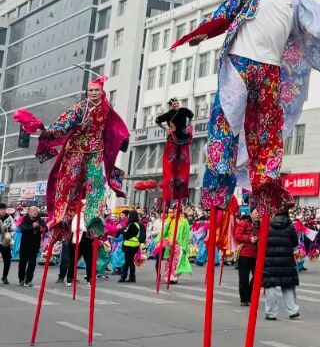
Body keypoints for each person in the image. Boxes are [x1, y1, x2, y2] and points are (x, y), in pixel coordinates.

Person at [173, 0, 320, 214]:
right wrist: (203, 35)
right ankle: (218, 186)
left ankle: (264, 190)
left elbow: (318, 20)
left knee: (266, 129)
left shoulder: (300, 0)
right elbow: (224, 14)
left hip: (270, 70)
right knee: (227, 119)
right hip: (239, 62)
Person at [14, 76, 129, 241]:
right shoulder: (80, 108)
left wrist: (122, 139)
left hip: (96, 149)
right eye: (91, 90)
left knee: (96, 181)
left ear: (102, 91)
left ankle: (94, 218)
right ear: (87, 92)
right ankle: (62, 219)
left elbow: (115, 126)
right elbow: (64, 123)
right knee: (68, 183)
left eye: (97, 90)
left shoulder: (107, 109)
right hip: (76, 150)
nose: (94, 93)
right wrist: (48, 131)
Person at [263, 205, 300, 320]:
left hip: (270, 260)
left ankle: (271, 312)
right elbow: (295, 242)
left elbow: (263, 242)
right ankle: (292, 310)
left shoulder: (268, 225)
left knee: (271, 287)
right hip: (286, 260)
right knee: (288, 286)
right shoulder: (290, 226)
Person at [156, 98, 194, 203]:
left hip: (184, 138)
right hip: (173, 139)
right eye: (174, 103)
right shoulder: (168, 114)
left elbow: (191, 115)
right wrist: (166, 129)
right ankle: (170, 177)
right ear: (170, 105)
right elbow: (157, 121)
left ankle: (180, 181)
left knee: (183, 162)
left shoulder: (183, 111)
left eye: (177, 103)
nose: (176, 104)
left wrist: (189, 125)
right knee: (170, 161)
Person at [233, 210, 259, 305]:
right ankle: (244, 298)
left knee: (258, 276)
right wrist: (249, 238)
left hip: (257, 254)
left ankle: (249, 294)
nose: (258, 215)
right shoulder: (244, 222)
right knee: (244, 278)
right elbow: (237, 236)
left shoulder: (261, 225)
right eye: (256, 213)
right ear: (251, 213)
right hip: (245, 253)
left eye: (259, 213)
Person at [161, 208, 192, 284]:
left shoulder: (184, 222)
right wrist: (164, 239)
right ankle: (168, 276)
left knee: (176, 261)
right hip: (170, 244)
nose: (174, 213)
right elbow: (166, 231)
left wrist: (183, 244)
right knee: (169, 261)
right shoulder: (171, 220)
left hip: (178, 245)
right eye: (173, 211)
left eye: (176, 211)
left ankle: (173, 277)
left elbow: (186, 234)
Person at [17, 206, 43, 287]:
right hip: (25, 245)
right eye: (34, 210)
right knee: (22, 263)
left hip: (35, 245)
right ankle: (21, 279)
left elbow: (45, 227)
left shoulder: (40, 220)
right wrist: (32, 226)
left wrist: (43, 228)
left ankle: (28, 280)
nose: (35, 212)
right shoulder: (25, 219)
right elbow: (22, 229)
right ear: (29, 212)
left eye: (36, 210)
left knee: (32, 263)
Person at [119, 209, 141, 283]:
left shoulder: (132, 225)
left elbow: (127, 235)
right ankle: (132, 277)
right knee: (131, 262)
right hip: (135, 245)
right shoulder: (137, 224)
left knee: (127, 262)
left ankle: (123, 277)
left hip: (130, 245)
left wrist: (125, 232)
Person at [0, 205, 13, 284]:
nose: (2, 211)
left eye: (4, 209)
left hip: (5, 241)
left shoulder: (9, 218)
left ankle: (5, 277)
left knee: (7, 260)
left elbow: (14, 227)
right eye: (1, 209)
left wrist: (9, 228)